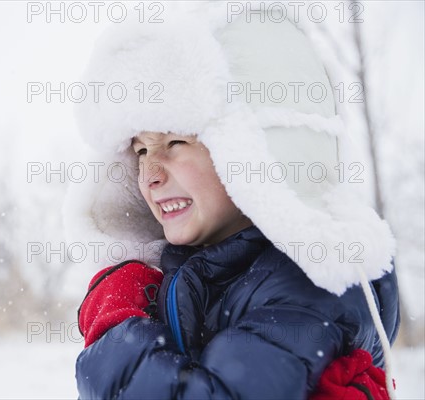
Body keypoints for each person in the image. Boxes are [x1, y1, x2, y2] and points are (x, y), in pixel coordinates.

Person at [65, 6, 400, 399]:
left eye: (175, 142)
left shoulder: (303, 285)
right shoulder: (194, 274)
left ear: (252, 150)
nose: (150, 174)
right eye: (140, 151)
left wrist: (116, 326)